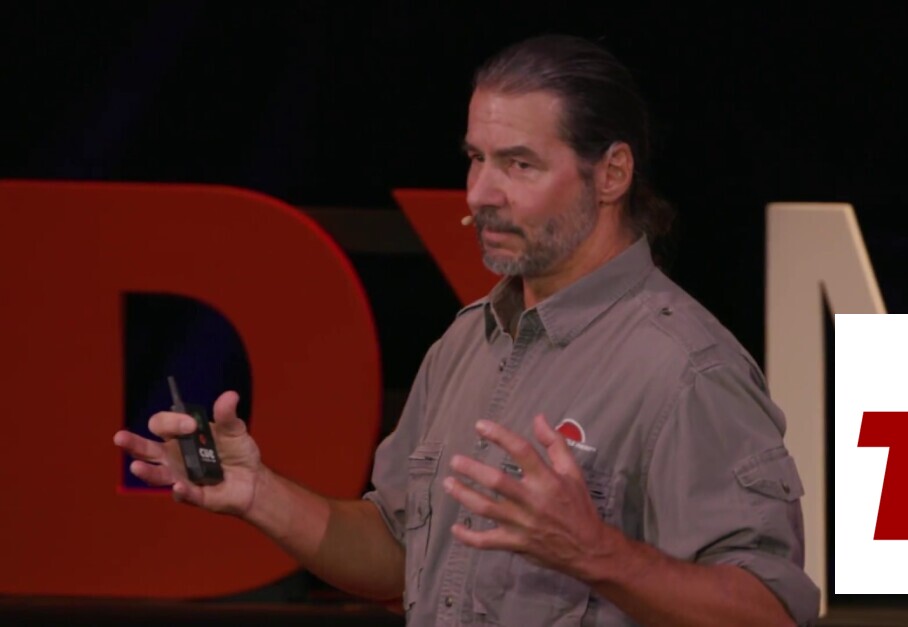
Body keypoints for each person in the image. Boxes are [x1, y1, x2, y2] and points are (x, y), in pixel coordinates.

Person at [113, 34, 820, 626]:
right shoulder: (467, 341)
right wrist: (259, 493)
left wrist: (597, 553)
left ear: (611, 174)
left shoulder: (685, 369)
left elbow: (771, 611)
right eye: (476, 159)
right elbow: (399, 550)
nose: (480, 194)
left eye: (519, 164)